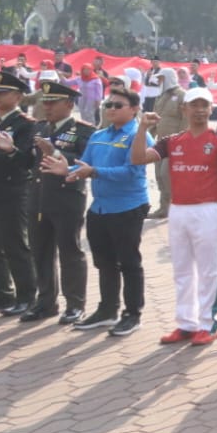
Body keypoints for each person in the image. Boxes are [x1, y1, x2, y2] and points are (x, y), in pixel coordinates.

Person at [132, 87, 217, 346]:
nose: (200, 110)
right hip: (178, 210)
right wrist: (142, 129)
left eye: (204, 105)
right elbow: (137, 158)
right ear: (185, 109)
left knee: (209, 270)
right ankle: (186, 323)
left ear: (211, 108)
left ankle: (207, 323)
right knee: (182, 270)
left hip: (208, 210)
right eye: (194, 105)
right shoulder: (172, 141)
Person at [45, 86, 152, 336]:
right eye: (108, 105)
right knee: (104, 262)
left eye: (118, 105)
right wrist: (68, 171)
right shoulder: (99, 135)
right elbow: (84, 166)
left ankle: (132, 314)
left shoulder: (139, 136)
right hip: (100, 208)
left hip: (128, 207)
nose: (111, 109)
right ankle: (107, 310)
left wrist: (93, 172)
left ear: (134, 109)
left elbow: (132, 172)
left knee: (129, 262)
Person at [26, 82, 94, 324]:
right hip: (39, 197)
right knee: (40, 252)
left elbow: (86, 160)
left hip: (67, 198)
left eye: (52, 102)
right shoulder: (40, 127)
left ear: (69, 104)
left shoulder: (82, 130)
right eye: (45, 102)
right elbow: (27, 161)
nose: (47, 107)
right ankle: (45, 302)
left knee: (70, 251)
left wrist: (55, 152)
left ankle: (75, 304)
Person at [0, 69, 38, 317]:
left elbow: (27, 162)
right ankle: (2, 294)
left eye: (3, 93)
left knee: (15, 245)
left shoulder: (26, 125)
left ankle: (26, 296)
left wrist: (10, 151)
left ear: (19, 96)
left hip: (13, 191)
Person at [146, 70, 186, 219]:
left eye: (162, 78)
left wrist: (183, 140)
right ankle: (164, 207)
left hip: (176, 145)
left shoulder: (182, 95)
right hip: (160, 144)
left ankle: (176, 205)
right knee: (159, 175)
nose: (159, 81)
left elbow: (185, 120)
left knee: (166, 174)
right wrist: (147, 137)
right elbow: (156, 119)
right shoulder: (161, 97)